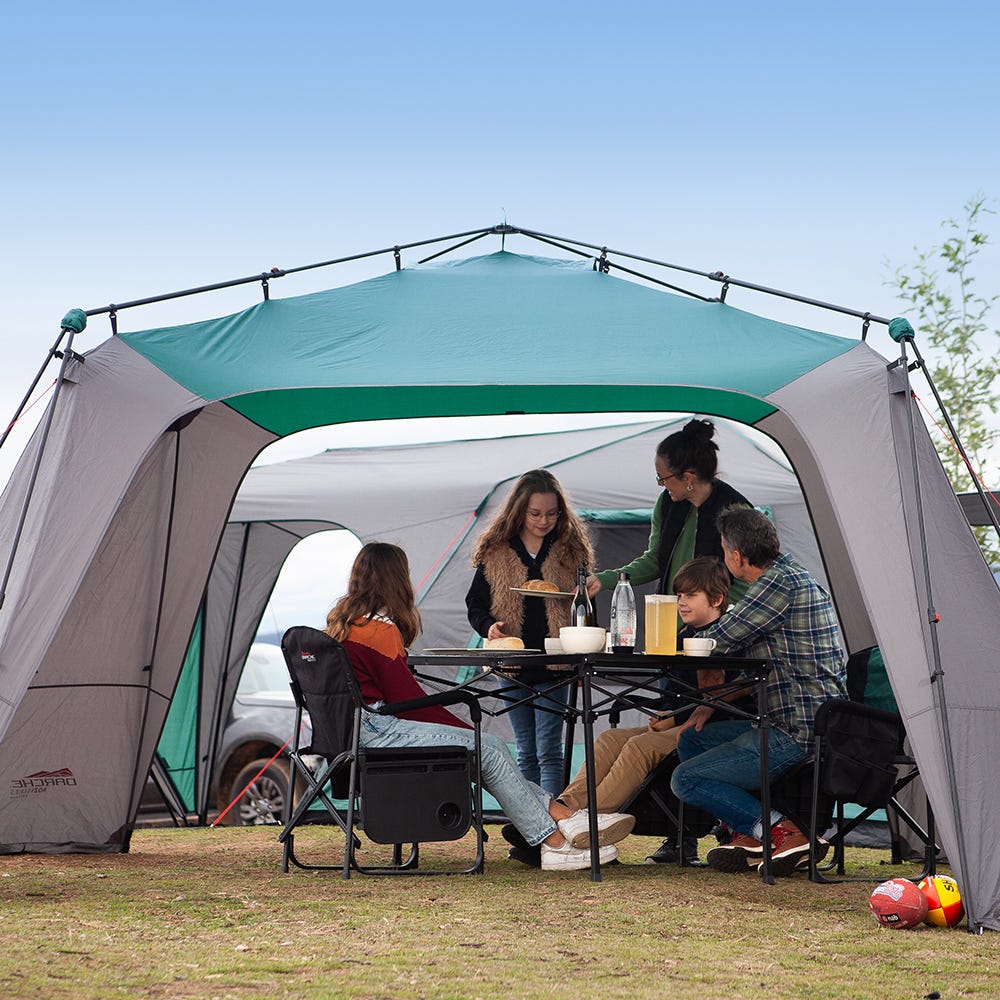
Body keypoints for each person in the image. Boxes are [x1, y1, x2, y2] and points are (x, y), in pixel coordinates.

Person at [328, 541, 632, 871]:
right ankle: (555, 842)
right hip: (379, 730)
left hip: (357, 730)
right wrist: (466, 732)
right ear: (396, 580)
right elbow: (409, 704)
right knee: (487, 748)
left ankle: (566, 818)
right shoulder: (378, 631)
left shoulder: (343, 625)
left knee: (488, 751)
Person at [505, 556, 742, 867]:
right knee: (610, 738)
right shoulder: (682, 635)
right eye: (679, 595)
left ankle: (577, 827)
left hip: (711, 727)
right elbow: (675, 693)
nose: (681, 602)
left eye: (690, 595)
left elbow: (717, 697)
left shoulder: (724, 635)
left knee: (640, 746)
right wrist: (666, 714)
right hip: (678, 720)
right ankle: (557, 812)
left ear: (717, 599)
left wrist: (674, 717)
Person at [669, 507, 848, 877]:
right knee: (693, 738)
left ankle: (783, 832)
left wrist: (669, 643)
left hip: (799, 731)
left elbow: (719, 639)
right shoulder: (791, 575)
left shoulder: (778, 584)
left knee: (685, 778)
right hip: (811, 721)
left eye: (723, 550)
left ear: (736, 556)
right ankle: (749, 833)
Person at [466, 469, 594, 796]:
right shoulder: (497, 551)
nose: (543, 521)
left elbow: (585, 608)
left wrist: (582, 654)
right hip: (511, 663)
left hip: (556, 662)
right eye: (535, 514)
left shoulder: (570, 551)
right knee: (525, 750)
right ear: (519, 511)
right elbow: (475, 603)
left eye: (552, 514)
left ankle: (551, 818)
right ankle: (531, 820)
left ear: (561, 513)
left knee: (549, 750)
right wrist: (488, 626)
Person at [587, 418, 752, 602]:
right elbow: (655, 560)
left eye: (662, 478)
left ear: (687, 478)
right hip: (669, 615)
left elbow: (747, 581)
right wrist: (604, 580)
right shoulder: (666, 502)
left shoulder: (737, 510)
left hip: (719, 619)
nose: (661, 484)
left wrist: (711, 611)